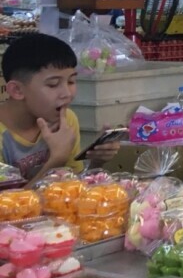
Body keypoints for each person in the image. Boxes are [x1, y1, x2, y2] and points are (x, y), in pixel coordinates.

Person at [0, 34, 119, 184]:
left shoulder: (66, 121)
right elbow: (10, 200)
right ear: (17, 90)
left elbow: (72, 186)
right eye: (53, 84)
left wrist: (96, 161)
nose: (67, 94)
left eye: (71, 81)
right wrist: (57, 159)